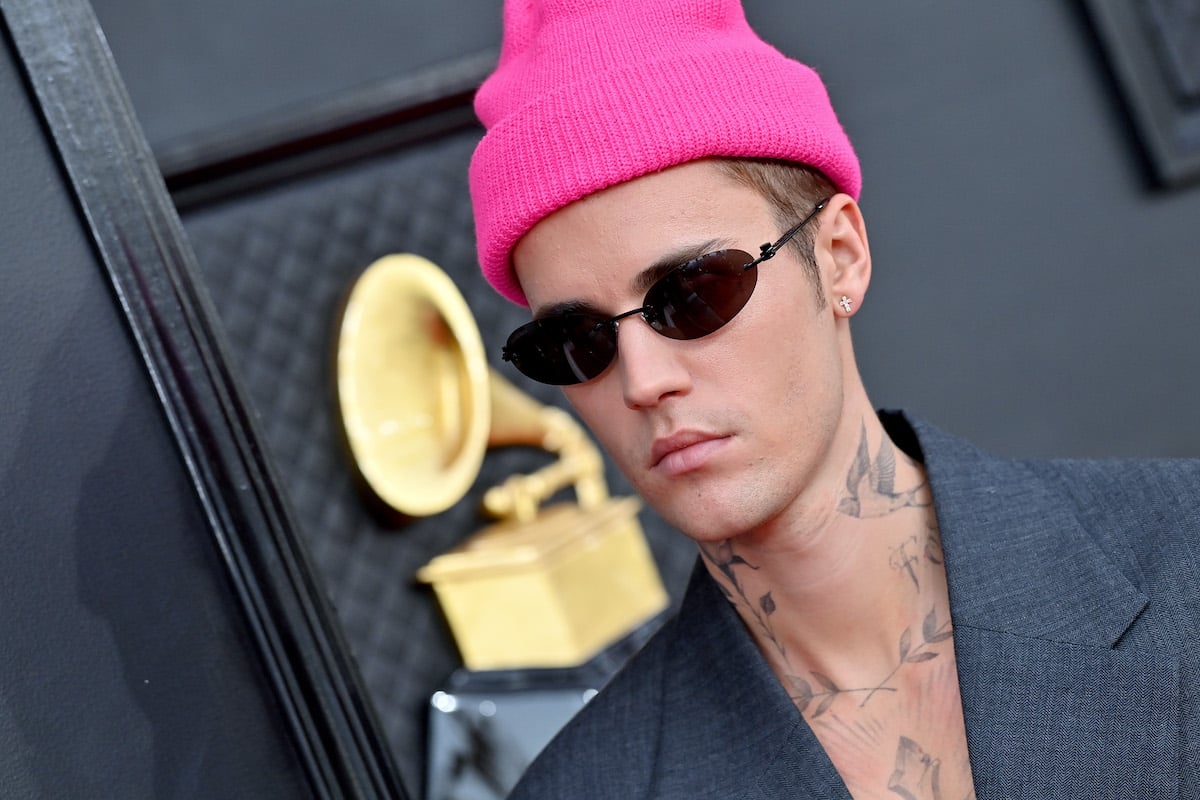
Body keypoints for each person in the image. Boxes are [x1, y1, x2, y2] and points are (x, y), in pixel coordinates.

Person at [467, 0, 1200, 797]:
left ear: (841, 255)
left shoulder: (1182, 552)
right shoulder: (585, 789)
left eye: (693, 294)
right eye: (576, 343)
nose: (644, 382)